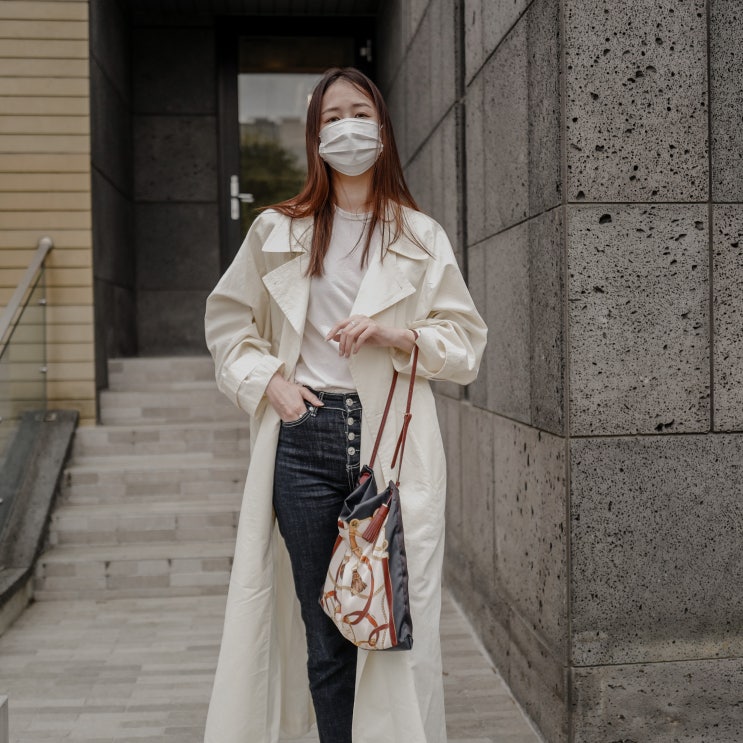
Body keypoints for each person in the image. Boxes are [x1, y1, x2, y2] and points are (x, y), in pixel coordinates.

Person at [203, 67, 487, 743]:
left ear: (381, 128)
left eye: (358, 113)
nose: (346, 128)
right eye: (331, 118)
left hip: (388, 445)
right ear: (315, 136)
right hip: (305, 437)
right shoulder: (276, 229)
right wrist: (272, 384)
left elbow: (464, 345)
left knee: (388, 626)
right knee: (325, 630)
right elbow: (229, 325)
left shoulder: (420, 235)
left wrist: (397, 335)